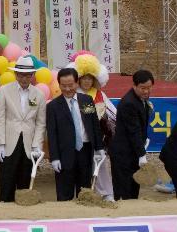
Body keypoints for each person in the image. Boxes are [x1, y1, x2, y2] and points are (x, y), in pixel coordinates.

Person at [0, 55, 47, 202]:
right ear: (16, 74)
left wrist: (37, 145)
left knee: (25, 181)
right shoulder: (4, 91)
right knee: (6, 181)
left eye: (28, 75)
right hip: (9, 142)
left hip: (29, 144)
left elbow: (41, 123)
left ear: (33, 75)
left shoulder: (39, 94)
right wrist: (1, 144)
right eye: (21, 75)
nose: (24, 79)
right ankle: (4, 213)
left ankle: (23, 218)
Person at [46, 67, 104, 201]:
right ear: (59, 84)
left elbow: (94, 124)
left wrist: (99, 147)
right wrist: (54, 158)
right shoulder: (53, 106)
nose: (67, 89)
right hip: (64, 154)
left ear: (77, 83)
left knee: (84, 191)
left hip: (85, 150)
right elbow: (52, 134)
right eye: (63, 86)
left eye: (70, 85)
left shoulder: (86, 100)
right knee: (64, 193)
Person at [75, 52, 115, 201]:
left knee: (101, 164)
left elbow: (112, 113)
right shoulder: (75, 94)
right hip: (81, 136)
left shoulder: (99, 94)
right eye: (84, 78)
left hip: (98, 135)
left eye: (90, 78)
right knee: (83, 167)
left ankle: (106, 193)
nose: (87, 82)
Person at [109, 69, 152, 201]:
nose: (146, 91)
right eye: (142, 88)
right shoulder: (129, 103)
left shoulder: (141, 99)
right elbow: (134, 131)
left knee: (134, 187)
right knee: (124, 191)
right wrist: (141, 154)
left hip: (133, 151)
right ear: (134, 86)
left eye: (149, 88)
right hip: (123, 153)